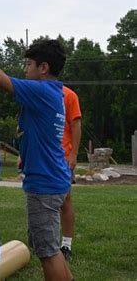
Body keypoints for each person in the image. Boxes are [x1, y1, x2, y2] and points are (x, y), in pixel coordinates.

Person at [0, 15, 73, 280]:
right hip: (53, 180)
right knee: (51, 248)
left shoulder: (42, 92)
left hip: (45, 186)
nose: (24, 69)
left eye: (28, 64)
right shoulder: (54, 93)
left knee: (47, 252)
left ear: (43, 67)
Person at [60, 86, 82, 261]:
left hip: (62, 157)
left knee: (65, 199)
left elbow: (76, 125)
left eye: (29, 64)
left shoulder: (69, 95)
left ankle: (66, 245)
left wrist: (73, 154)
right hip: (40, 157)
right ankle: (39, 239)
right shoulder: (34, 91)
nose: (26, 69)